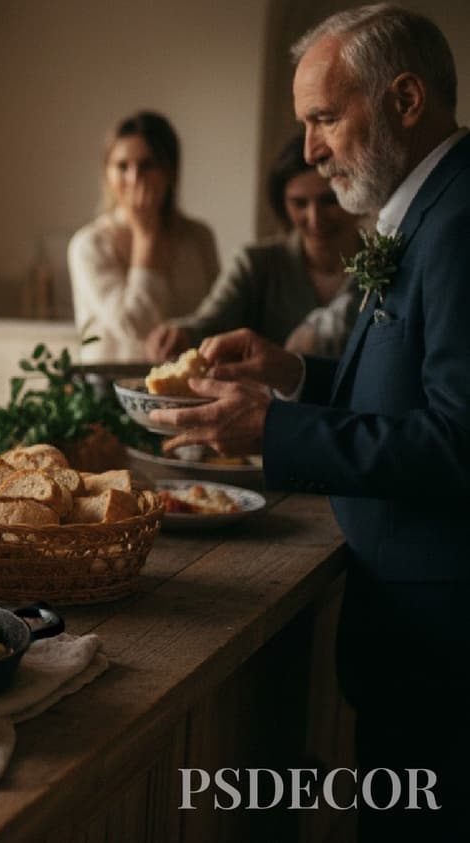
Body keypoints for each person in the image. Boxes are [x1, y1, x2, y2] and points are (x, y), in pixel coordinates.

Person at [152, 6, 469, 838]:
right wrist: (291, 374)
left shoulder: (464, 221)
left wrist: (273, 430)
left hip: (447, 645)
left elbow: (459, 440)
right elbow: (407, 393)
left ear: (404, 99)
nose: (309, 151)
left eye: (325, 118)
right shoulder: (431, 207)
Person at [145, 134, 365, 362]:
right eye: (300, 203)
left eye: (329, 201)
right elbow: (210, 324)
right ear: (282, 205)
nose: (315, 218)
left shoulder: (390, 264)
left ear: (355, 196)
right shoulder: (255, 264)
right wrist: (179, 335)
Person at [69, 111, 220, 362]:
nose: (134, 178)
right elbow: (136, 325)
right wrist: (146, 235)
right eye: (122, 166)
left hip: (184, 388)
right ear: (107, 173)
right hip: (108, 392)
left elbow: (215, 318)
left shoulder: (198, 237)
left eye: (147, 165)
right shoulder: (90, 244)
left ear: (170, 171)